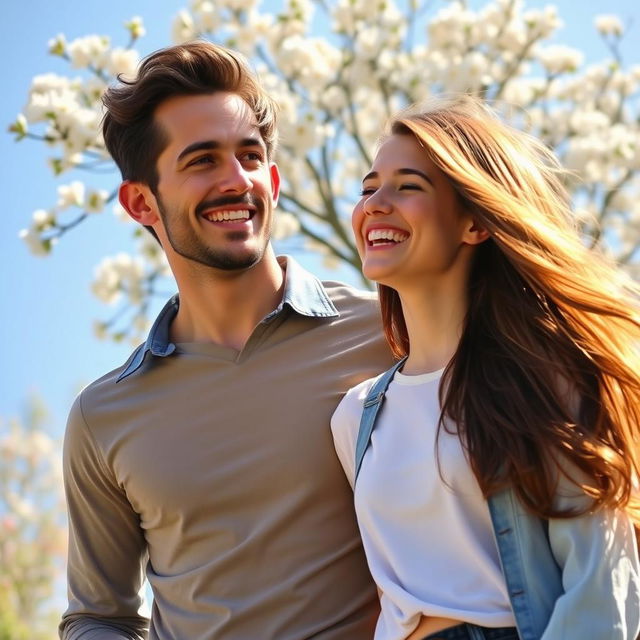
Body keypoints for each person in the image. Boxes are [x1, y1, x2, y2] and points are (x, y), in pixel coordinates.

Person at [59, 41, 392, 639]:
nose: (236, 181)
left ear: (275, 179)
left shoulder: (390, 331)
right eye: (202, 161)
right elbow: (97, 616)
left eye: (249, 156)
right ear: (141, 203)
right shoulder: (102, 417)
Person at [331, 95, 640, 640]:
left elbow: (601, 590)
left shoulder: (545, 381)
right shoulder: (356, 418)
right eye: (367, 187)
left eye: (408, 186)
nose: (375, 203)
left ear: (474, 223)